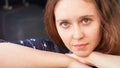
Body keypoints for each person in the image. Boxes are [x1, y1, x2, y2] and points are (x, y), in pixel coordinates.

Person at [0, 0, 120, 68]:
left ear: (105, 19)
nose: (77, 35)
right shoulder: (51, 50)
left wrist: (94, 57)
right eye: (65, 24)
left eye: (86, 20)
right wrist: (69, 61)